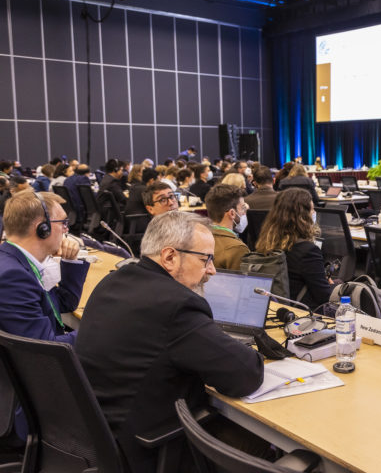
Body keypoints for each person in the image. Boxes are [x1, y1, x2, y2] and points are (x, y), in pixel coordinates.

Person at [75, 211, 264, 472]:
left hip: (100, 440)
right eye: (206, 259)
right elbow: (245, 375)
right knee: (260, 444)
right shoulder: (178, 305)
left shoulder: (112, 281)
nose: (212, 270)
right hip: (150, 451)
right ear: (170, 257)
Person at [0, 190, 89, 344]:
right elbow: (44, 348)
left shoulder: (20, 261)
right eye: (63, 223)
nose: (66, 230)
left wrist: (71, 261)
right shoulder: (13, 276)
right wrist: (99, 330)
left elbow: (63, 303)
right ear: (43, 228)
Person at [255, 188, 332, 309]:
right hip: (303, 312)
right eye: (312, 209)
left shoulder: (266, 243)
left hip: (275, 308)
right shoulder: (308, 251)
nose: (314, 212)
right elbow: (325, 297)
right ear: (302, 216)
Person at [205, 184, 250, 270]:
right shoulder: (237, 248)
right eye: (243, 208)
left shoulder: (198, 238)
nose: (244, 213)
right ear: (232, 213)